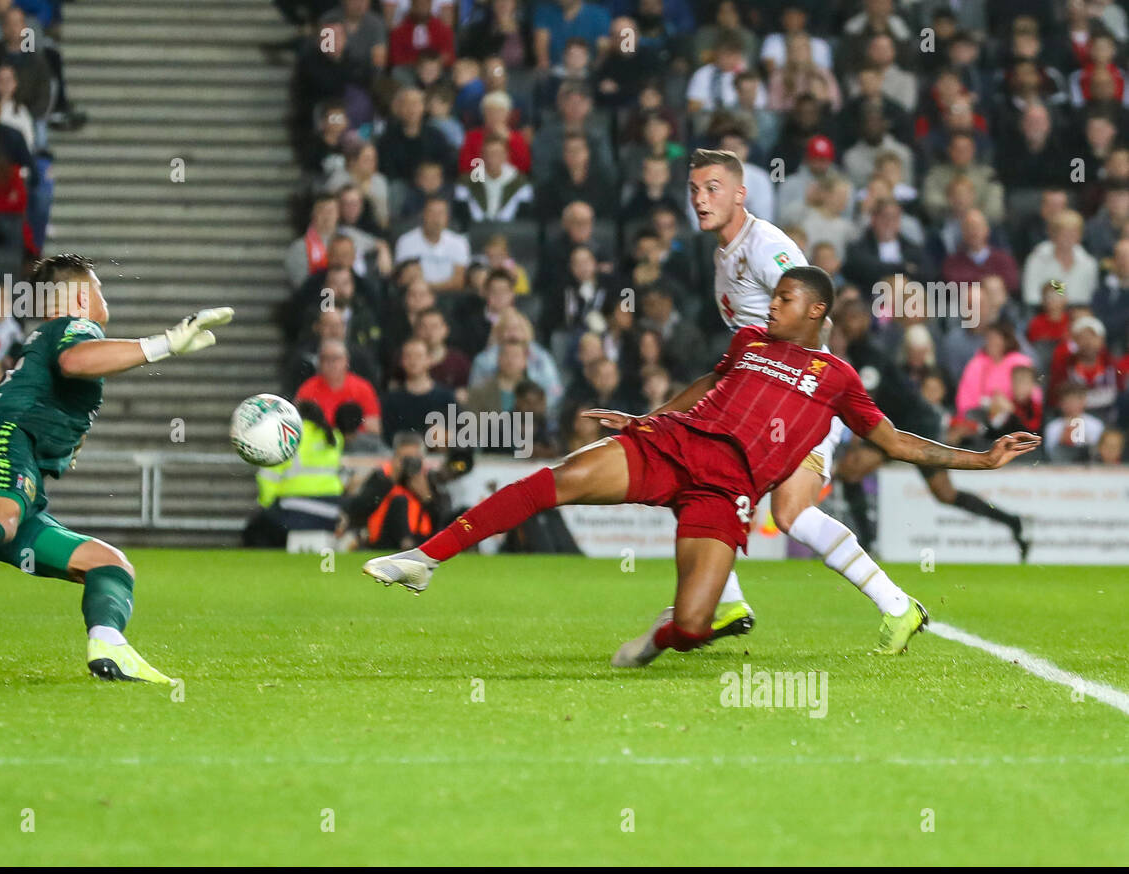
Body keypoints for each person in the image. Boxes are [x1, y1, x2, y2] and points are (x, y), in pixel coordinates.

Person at [363, 267, 1039, 663]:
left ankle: (661, 637)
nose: (771, 305)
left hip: (728, 486)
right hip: (675, 445)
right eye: (771, 297)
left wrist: (980, 459)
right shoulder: (748, 340)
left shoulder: (836, 378)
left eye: (784, 299)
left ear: (816, 311)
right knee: (555, 481)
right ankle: (427, 558)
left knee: (692, 626)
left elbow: (894, 441)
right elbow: (705, 387)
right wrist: (649, 418)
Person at [0, 253, 234, 684]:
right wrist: (165, 344)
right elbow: (75, 361)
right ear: (74, 295)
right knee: (3, 515)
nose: (103, 297)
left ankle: (109, 645)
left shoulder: (47, 339)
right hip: (3, 450)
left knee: (109, 564)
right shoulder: (74, 327)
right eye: (98, 287)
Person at [690, 148, 921, 645]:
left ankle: (894, 604)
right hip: (761, 396)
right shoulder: (723, 255)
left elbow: (820, 317)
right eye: (694, 190)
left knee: (772, 507)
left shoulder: (765, 244)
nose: (700, 200)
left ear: (739, 193)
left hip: (797, 397)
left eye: (712, 189)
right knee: (733, 492)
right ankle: (728, 602)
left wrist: (801, 389)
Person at [832, 299, 1031, 560]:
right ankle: (1012, 521)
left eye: (852, 318)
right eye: (844, 319)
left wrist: (858, 436)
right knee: (944, 494)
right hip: (901, 424)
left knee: (852, 471)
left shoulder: (869, 354)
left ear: (863, 321)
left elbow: (865, 398)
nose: (847, 324)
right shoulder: (860, 353)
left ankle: (867, 544)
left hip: (912, 426)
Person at [244, 401, 344, 548]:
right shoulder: (334, 437)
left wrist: (266, 505)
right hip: (330, 511)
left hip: (295, 509)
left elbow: (267, 477)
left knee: (255, 529)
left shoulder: (288, 436)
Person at [343, 430, 450, 550]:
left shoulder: (428, 477)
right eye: (405, 459)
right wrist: (390, 480)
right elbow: (358, 509)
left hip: (420, 539)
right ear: (395, 457)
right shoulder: (382, 476)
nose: (409, 464)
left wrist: (426, 496)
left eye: (414, 459)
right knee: (400, 501)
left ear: (421, 458)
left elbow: (440, 518)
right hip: (385, 540)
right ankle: (406, 544)